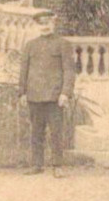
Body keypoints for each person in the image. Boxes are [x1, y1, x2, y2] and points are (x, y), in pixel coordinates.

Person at [17, 10, 75, 176]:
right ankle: (37, 164)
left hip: (54, 96)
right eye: (41, 23)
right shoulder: (30, 45)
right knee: (36, 132)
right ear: (37, 25)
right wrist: (22, 92)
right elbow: (24, 71)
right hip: (34, 95)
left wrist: (65, 93)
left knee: (56, 132)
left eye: (47, 23)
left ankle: (57, 166)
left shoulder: (63, 44)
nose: (44, 26)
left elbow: (69, 71)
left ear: (53, 24)